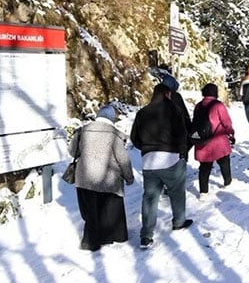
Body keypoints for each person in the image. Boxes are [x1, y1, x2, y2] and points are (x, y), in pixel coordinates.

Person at [130, 83, 193, 250]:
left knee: (150, 197)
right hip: (171, 158)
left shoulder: (142, 113)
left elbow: (134, 138)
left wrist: (146, 148)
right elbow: (182, 134)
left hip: (149, 161)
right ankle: (178, 221)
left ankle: (146, 236)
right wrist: (182, 153)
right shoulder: (174, 110)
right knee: (177, 192)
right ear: (168, 94)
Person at [69, 105, 134, 251]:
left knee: (91, 211)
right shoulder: (113, 134)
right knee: (111, 209)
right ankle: (113, 236)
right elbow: (123, 159)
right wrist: (129, 177)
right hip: (108, 180)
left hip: (84, 177)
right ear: (111, 118)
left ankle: (91, 240)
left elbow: (72, 151)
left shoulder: (83, 131)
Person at [193, 83, 235, 198]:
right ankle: (227, 181)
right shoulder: (218, 105)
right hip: (218, 140)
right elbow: (226, 122)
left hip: (203, 141)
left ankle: (203, 191)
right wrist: (230, 132)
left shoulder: (198, 106)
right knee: (224, 161)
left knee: (204, 167)